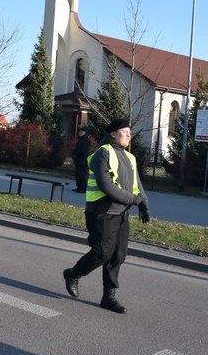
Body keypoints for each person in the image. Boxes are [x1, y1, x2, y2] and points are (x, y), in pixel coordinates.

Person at [62, 119, 151, 314]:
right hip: (101, 212)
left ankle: (108, 297)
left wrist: (143, 204)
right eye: (124, 131)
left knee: (118, 255)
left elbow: (138, 185)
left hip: (121, 214)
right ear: (112, 134)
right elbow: (106, 185)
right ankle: (73, 274)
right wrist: (133, 200)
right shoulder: (102, 154)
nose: (129, 134)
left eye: (130, 131)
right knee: (102, 252)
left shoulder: (130, 157)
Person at [71, 126, 91, 193]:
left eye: (81, 131)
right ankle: (78, 187)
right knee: (78, 175)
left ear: (85, 133)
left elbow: (83, 150)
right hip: (78, 160)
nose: (79, 133)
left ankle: (83, 188)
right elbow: (76, 149)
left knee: (83, 175)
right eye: (79, 131)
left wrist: (76, 154)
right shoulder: (80, 140)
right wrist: (73, 154)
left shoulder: (86, 141)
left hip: (83, 161)